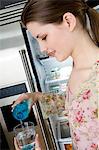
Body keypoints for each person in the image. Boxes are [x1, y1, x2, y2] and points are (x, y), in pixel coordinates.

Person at [13, 0, 99, 149]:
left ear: (68, 21)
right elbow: (82, 105)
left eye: (44, 37)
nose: (42, 48)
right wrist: (37, 97)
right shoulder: (78, 67)